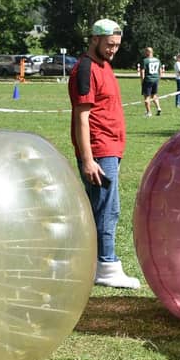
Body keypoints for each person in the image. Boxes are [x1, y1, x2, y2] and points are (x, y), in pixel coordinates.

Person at [69, 18, 141, 289]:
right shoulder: (85, 69)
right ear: (94, 39)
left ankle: (91, 263)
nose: (113, 50)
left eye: (117, 45)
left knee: (101, 208)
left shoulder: (104, 65)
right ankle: (107, 266)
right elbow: (82, 117)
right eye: (110, 44)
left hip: (111, 149)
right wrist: (88, 160)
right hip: (99, 150)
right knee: (107, 209)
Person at [139, 47, 163, 117]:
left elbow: (142, 71)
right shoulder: (157, 60)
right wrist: (158, 78)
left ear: (148, 52)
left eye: (145, 51)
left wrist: (142, 81)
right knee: (154, 95)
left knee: (146, 97)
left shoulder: (145, 61)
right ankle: (158, 108)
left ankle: (148, 112)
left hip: (148, 80)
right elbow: (160, 70)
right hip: (155, 79)